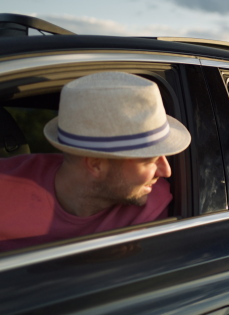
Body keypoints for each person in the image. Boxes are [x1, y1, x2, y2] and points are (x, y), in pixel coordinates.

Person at [0, 72, 191, 252]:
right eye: (150, 160)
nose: (166, 171)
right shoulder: (5, 186)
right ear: (96, 165)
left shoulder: (155, 209)